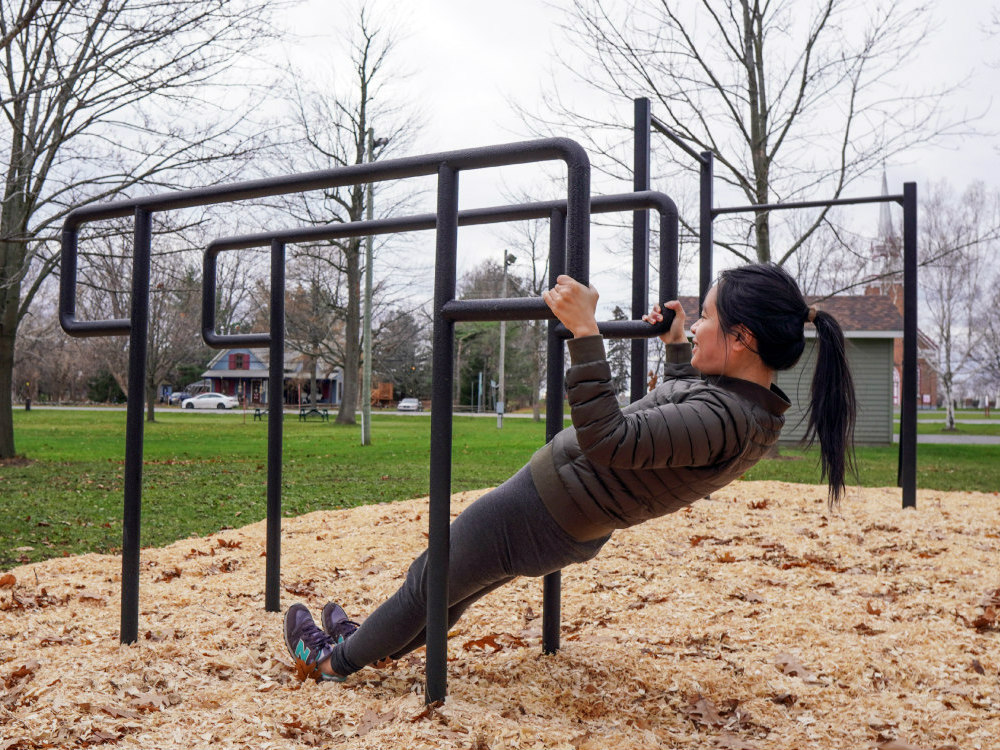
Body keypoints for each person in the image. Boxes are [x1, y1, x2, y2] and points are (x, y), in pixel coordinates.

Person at [283, 262, 857, 682]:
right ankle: (365, 645)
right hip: (562, 516)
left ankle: (333, 662)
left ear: (742, 339)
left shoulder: (726, 418)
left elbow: (609, 439)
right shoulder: (744, 406)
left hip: (545, 510)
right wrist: (678, 346)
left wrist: (587, 334)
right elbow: (687, 410)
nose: (701, 323)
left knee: (432, 582)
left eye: (708, 317)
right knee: (447, 588)